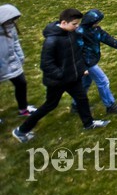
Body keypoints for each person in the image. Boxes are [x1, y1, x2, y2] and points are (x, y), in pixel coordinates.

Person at [12, 9, 109, 143]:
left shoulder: (71, 33)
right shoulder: (51, 41)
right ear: (64, 22)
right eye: (74, 24)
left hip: (73, 78)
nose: (77, 27)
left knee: (82, 99)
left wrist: (81, 69)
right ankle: (21, 130)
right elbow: (46, 65)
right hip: (58, 82)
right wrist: (62, 74)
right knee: (50, 105)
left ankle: (89, 123)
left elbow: (77, 54)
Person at [72, 9, 117, 115]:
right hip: (87, 63)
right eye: (97, 21)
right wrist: (82, 68)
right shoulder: (80, 33)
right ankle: (110, 106)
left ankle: (76, 105)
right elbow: (76, 51)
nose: (98, 23)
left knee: (85, 83)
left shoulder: (95, 29)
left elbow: (106, 37)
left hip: (91, 60)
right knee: (103, 81)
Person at [0, 5, 37, 120]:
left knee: (21, 83)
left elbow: (15, 42)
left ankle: (23, 109)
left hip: (12, 63)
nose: (12, 21)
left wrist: (20, 56)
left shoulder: (11, 27)